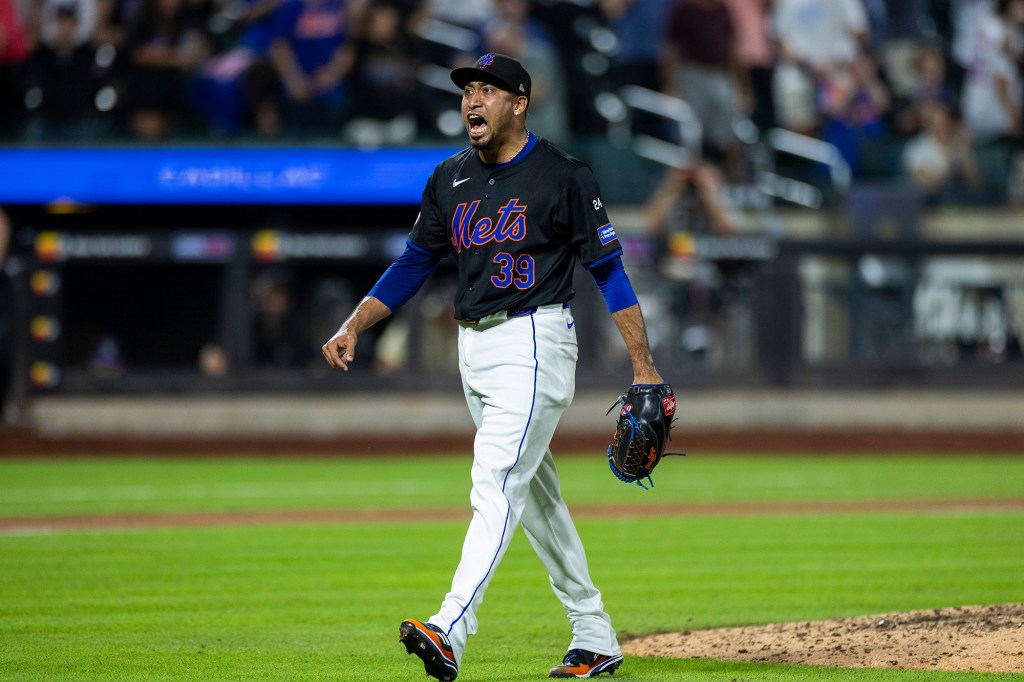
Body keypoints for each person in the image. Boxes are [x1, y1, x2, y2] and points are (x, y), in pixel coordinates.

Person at [321, 52, 669, 681]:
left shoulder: (564, 175)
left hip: (534, 341)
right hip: (473, 349)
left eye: (488, 90)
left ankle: (451, 626)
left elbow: (610, 273)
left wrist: (644, 367)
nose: (473, 102)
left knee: (495, 482)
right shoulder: (450, 177)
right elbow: (412, 263)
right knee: (535, 499)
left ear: (518, 104)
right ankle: (593, 635)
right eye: (467, 91)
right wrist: (355, 323)